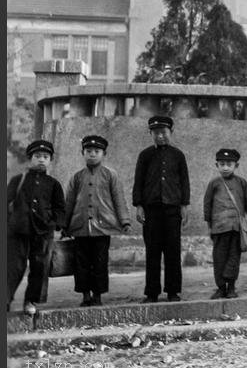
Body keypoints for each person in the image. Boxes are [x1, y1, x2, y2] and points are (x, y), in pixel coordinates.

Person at [64, 135, 131, 307]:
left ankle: (98, 295)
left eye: (97, 151)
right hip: (80, 228)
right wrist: (64, 225)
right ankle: (85, 295)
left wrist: (124, 221)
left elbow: (119, 199)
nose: (92, 154)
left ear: (104, 153)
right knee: (81, 264)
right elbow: (69, 202)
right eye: (88, 151)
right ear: (83, 153)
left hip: (103, 228)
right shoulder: (77, 177)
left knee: (100, 263)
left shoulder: (110, 175)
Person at [133, 116, 190, 303]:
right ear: (150, 134)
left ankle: (173, 291)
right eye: (156, 133)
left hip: (172, 211)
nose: (160, 136)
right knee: (152, 252)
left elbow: (184, 182)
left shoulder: (178, 155)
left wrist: (184, 206)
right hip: (151, 211)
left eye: (164, 133)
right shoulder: (145, 155)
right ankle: (152, 292)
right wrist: (139, 206)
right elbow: (138, 182)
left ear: (170, 133)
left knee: (173, 251)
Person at [7, 140, 65, 314]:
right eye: (37, 156)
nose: (41, 160)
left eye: (45, 157)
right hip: (18, 230)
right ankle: (6, 300)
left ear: (50, 160)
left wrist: (55, 225)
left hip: (43, 231)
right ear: (30, 158)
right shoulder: (18, 180)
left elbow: (60, 208)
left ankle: (31, 301)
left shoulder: (53, 184)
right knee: (13, 266)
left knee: (40, 266)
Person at [204, 148, 247, 299]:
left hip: (237, 228)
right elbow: (207, 203)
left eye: (229, 164)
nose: (226, 167)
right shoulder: (214, 183)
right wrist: (209, 224)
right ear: (217, 166)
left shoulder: (241, 182)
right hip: (219, 228)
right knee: (219, 258)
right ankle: (221, 288)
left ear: (236, 165)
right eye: (222, 164)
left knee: (234, 257)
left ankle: (232, 287)